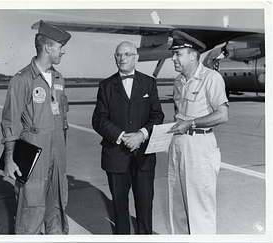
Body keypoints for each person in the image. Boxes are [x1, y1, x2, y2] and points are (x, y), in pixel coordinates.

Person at [0, 20, 71, 234]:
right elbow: (10, 122)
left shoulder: (59, 78)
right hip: (34, 150)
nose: (63, 52)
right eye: (60, 47)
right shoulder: (21, 80)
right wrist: (9, 160)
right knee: (31, 205)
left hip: (57, 152)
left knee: (56, 204)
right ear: (48, 47)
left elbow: (62, 118)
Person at [92, 41, 164, 234]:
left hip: (144, 157)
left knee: (145, 207)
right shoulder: (106, 86)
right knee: (119, 208)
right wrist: (122, 136)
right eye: (118, 55)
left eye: (126, 54)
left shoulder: (149, 83)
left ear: (136, 57)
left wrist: (141, 134)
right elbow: (99, 119)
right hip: (116, 155)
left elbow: (157, 115)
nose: (122, 58)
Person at [167, 30, 229, 234]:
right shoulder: (178, 81)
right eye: (173, 54)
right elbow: (178, 114)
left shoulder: (211, 78)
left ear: (193, 55)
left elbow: (222, 115)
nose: (173, 58)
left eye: (178, 54)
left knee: (200, 210)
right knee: (178, 209)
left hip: (200, 146)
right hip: (178, 145)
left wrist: (191, 123)